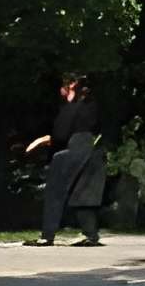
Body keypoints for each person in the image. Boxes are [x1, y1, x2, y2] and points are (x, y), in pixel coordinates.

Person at [28, 74, 105, 247]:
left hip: (75, 147)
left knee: (56, 191)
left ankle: (47, 235)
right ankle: (90, 234)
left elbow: (61, 133)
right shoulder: (93, 105)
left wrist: (48, 140)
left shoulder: (73, 107)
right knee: (83, 192)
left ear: (71, 86)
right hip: (94, 149)